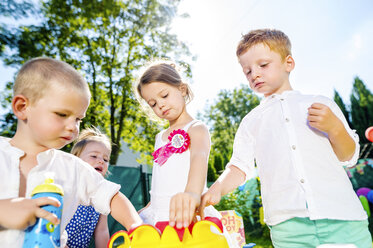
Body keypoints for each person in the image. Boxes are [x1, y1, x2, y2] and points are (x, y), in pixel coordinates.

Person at [199, 29, 372, 248]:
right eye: (247, 71)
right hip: (288, 228)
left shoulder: (320, 104)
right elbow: (239, 167)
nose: (255, 74)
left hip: (343, 216)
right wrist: (216, 189)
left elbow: (349, 156)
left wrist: (336, 129)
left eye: (263, 65)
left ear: (288, 63)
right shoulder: (251, 122)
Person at [0, 57, 142, 247]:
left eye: (78, 119)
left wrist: (137, 227)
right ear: (22, 107)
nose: (72, 127)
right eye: (62, 114)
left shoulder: (73, 167)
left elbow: (112, 196)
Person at [135, 61, 238, 247]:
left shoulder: (196, 128)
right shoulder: (159, 137)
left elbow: (199, 158)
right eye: (153, 104)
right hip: (159, 215)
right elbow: (162, 175)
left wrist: (192, 194)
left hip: (187, 212)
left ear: (182, 89)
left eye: (164, 95)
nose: (160, 106)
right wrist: (150, 207)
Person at [65, 127, 112, 248]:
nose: (101, 161)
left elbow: (102, 231)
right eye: (94, 156)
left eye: (105, 159)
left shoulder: (102, 193)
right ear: (76, 159)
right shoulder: (66, 186)